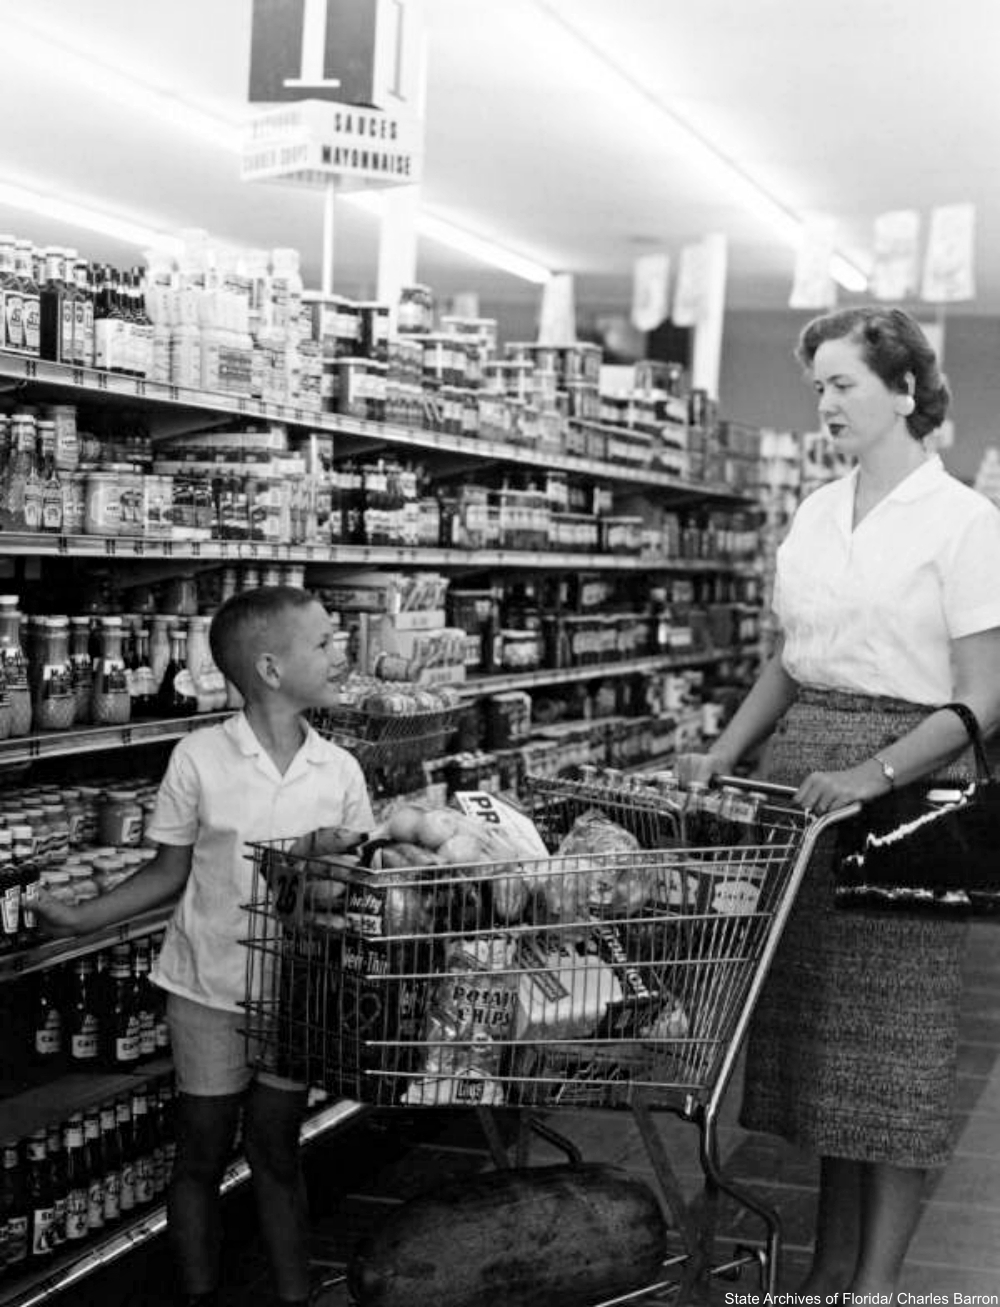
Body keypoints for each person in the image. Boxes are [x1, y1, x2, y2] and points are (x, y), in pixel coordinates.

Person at [678, 306, 1000, 1295]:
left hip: (909, 796)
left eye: (842, 384)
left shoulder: (965, 523)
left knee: (892, 1053)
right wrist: (720, 751)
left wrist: (875, 773)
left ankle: (873, 1286)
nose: (823, 403)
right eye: (816, 384)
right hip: (800, 787)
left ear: (904, 391)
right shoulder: (816, 510)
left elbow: (984, 696)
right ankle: (823, 1271)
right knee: (823, 1049)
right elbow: (790, 658)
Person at [37, 586, 374, 1307]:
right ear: (271, 668)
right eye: (321, 642)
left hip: (296, 992)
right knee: (200, 1149)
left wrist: (324, 872)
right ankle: (200, 1294)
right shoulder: (199, 757)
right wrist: (79, 918)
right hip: (206, 985)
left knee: (277, 1148)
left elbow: (350, 888)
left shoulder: (340, 769)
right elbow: (168, 870)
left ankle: (294, 1294)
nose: (337, 651)